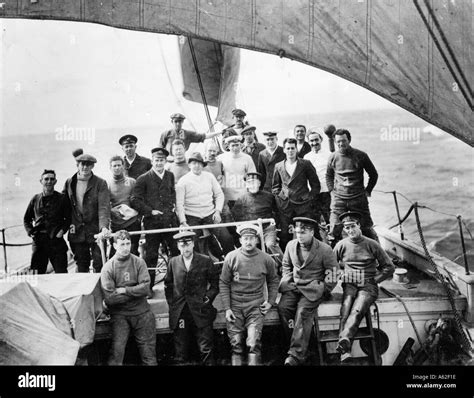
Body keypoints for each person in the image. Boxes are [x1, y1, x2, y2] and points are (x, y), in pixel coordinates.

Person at [333, 211, 394, 362]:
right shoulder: (340, 245)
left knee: (357, 309)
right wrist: (341, 276)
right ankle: (345, 351)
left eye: (352, 226)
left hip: (368, 285)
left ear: (359, 225)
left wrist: (375, 280)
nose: (350, 230)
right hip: (350, 283)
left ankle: (344, 342)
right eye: (347, 228)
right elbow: (331, 266)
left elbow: (389, 267)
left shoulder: (372, 244)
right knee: (345, 309)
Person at [277, 217, 338, 366]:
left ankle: (295, 355)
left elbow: (333, 273)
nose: (299, 236)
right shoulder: (291, 245)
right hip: (294, 286)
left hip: (313, 289)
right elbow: (286, 265)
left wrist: (324, 289)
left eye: (303, 233)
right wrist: (287, 278)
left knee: (303, 311)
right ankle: (301, 346)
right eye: (297, 232)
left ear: (311, 232)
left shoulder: (324, 249)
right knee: (283, 308)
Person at [219, 224, 279, 365]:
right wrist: (227, 308)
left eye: (251, 238)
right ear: (240, 240)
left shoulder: (266, 259)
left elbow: (274, 281)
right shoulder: (231, 257)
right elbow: (224, 283)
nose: (248, 242)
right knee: (237, 344)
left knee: (253, 343)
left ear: (257, 240)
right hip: (235, 306)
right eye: (245, 238)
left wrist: (270, 301)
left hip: (255, 305)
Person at [100, 230, 157, 365]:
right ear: (114, 246)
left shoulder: (139, 262)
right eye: (122, 244)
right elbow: (110, 299)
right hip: (120, 315)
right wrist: (136, 293)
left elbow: (145, 289)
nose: (125, 248)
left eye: (128, 243)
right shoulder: (108, 268)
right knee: (116, 353)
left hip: (142, 313)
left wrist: (124, 290)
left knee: (149, 355)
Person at [164, 231, 220, 365]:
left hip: (200, 310)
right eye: (182, 245)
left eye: (188, 244)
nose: (186, 248)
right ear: (178, 246)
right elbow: (168, 285)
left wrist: (207, 298)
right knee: (180, 348)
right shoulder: (173, 262)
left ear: (193, 244)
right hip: (180, 311)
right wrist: (173, 303)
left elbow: (215, 284)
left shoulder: (205, 260)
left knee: (205, 347)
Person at [131, 147, 178, 289]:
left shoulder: (170, 175)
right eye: (156, 160)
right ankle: (148, 286)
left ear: (165, 161)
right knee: (151, 255)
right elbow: (135, 200)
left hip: (170, 221)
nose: (159, 163)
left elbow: (172, 192)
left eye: (161, 160)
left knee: (175, 251)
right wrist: (150, 211)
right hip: (153, 223)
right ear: (152, 161)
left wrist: (173, 205)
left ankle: (173, 283)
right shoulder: (143, 178)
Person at [326, 129, 379, 246]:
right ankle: (334, 260)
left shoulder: (361, 155)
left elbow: (373, 174)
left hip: (358, 198)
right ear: (335, 142)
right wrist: (331, 191)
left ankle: (380, 257)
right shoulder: (332, 157)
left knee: (367, 228)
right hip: (339, 199)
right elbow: (329, 176)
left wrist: (368, 191)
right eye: (338, 141)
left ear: (349, 140)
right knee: (334, 230)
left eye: (344, 141)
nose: (341, 144)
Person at [63, 150, 111, 273]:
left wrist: (104, 227)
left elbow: (104, 207)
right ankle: (84, 291)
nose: (85, 167)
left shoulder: (100, 183)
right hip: (77, 231)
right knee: (81, 264)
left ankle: (100, 290)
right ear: (77, 165)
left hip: (95, 230)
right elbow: (63, 205)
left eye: (88, 164)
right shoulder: (69, 182)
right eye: (82, 164)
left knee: (99, 262)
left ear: (92, 166)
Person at [272, 138, 321, 249]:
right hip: (286, 207)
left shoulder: (305, 164)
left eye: (293, 148)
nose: (290, 151)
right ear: (284, 150)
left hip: (303, 206)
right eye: (288, 148)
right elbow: (275, 187)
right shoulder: (278, 166)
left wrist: (308, 197)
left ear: (296, 149)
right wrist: (282, 199)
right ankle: (286, 261)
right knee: (285, 235)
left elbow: (315, 185)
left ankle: (318, 257)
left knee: (311, 231)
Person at [231, 172, 283, 270]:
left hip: (267, 228)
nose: (252, 185)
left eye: (255, 182)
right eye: (250, 182)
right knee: (249, 246)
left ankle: (283, 265)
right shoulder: (242, 199)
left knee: (270, 244)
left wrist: (274, 223)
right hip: (251, 230)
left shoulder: (269, 196)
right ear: (246, 185)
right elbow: (236, 215)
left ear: (259, 184)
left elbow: (277, 211)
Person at [176, 152, 224, 254]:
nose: (197, 166)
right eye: (194, 163)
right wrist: (183, 222)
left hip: (210, 214)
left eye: (199, 163)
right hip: (191, 216)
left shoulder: (209, 176)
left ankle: (226, 263)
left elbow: (219, 194)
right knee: (193, 242)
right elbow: (179, 204)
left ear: (203, 165)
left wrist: (217, 211)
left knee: (226, 237)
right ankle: (199, 267)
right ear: (189, 165)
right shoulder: (183, 181)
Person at [23, 169, 70, 274]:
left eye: (52, 179)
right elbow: (26, 219)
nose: (49, 181)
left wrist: (62, 231)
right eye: (46, 179)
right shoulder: (35, 199)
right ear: (41, 181)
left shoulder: (62, 199)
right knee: (37, 273)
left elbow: (68, 218)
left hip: (56, 241)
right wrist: (31, 232)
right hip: (39, 242)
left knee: (61, 272)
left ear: (55, 181)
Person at [108, 156, 140, 256]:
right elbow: (105, 205)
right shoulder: (107, 185)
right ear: (110, 168)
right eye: (114, 166)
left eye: (119, 165)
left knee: (133, 251)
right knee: (117, 253)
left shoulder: (132, 182)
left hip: (132, 223)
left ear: (123, 166)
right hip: (116, 225)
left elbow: (138, 200)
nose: (117, 168)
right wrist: (114, 211)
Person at [218, 135, 256, 209]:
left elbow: (252, 177)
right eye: (233, 145)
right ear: (228, 146)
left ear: (241, 145)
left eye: (237, 145)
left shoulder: (247, 158)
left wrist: (251, 195)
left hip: (243, 196)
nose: (235, 148)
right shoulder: (221, 158)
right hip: (227, 196)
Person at [304, 128, 332, 224]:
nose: (314, 143)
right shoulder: (307, 157)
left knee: (329, 218)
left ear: (321, 140)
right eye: (311, 140)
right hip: (313, 193)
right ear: (308, 142)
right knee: (315, 220)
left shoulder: (329, 155)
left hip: (327, 192)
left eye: (316, 140)